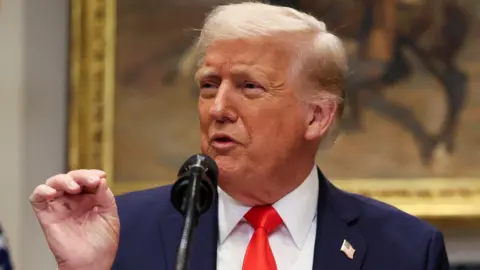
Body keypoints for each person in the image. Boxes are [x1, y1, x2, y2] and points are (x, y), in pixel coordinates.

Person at [29, 2, 449, 270]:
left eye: (250, 87)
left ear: (317, 116)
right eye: (209, 84)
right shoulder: (123, 234)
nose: (217, 109)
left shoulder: (405, 251)